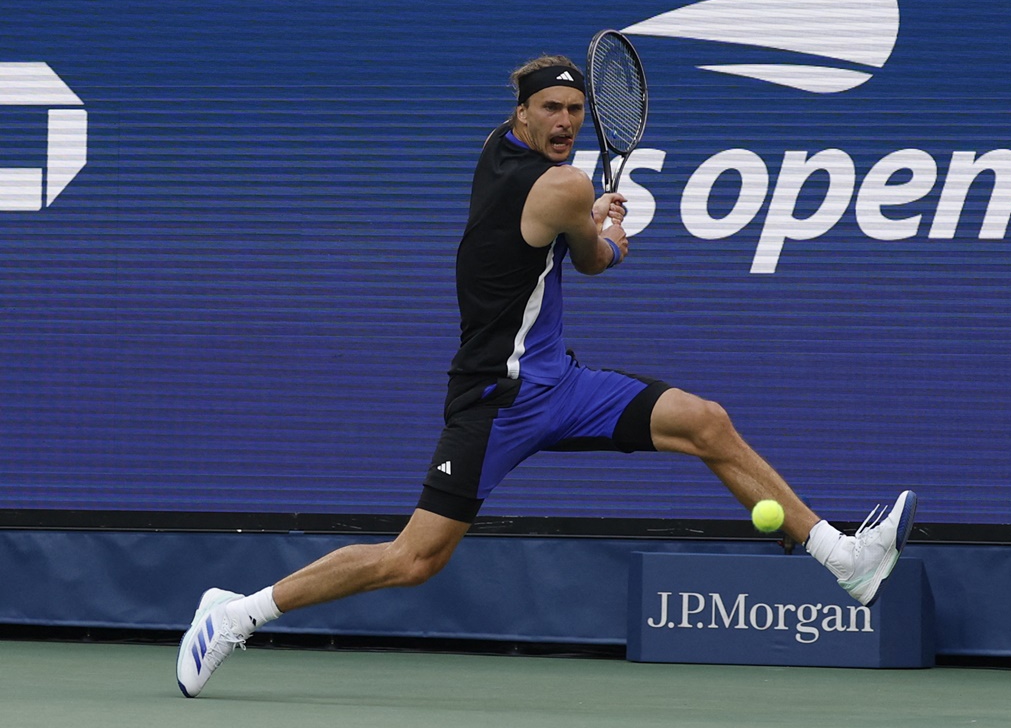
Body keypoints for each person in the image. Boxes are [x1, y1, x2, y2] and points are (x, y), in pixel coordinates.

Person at [176, 54, 917, 698]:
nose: (565, 121)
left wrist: (586, 216)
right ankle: (237, 613)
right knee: (415, 559)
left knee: (706, 422)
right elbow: (593, 259)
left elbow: (552, 223)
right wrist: (611, 231)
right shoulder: (560, 186)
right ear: (521, 114)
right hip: (496, 400)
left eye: (574, 110)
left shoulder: (500, 150)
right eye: (550, 110)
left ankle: (843, 558)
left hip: (558, 384)